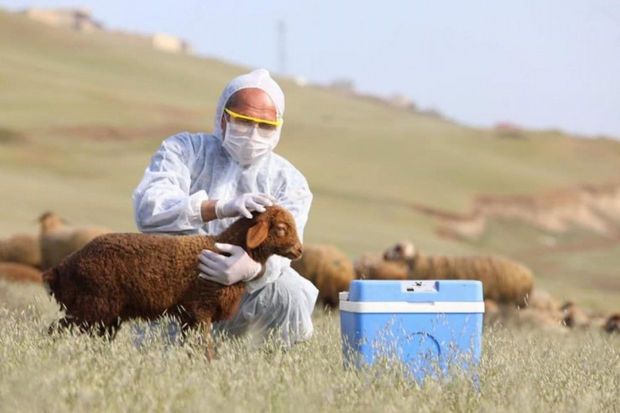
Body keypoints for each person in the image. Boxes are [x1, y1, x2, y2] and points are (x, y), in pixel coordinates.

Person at [132, 69, 318, 347]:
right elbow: (150, 208)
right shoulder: (185, 151)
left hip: (246, 293)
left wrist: (253, 269)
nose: (254, 134)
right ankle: (162, 354)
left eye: (265, 126)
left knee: (291, 290)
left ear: (278, 128)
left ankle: (273, 360)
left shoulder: (289, 181)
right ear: (223, 118)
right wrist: (217, 208)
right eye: (244, 122)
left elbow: (286, 249)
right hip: (181, 281)